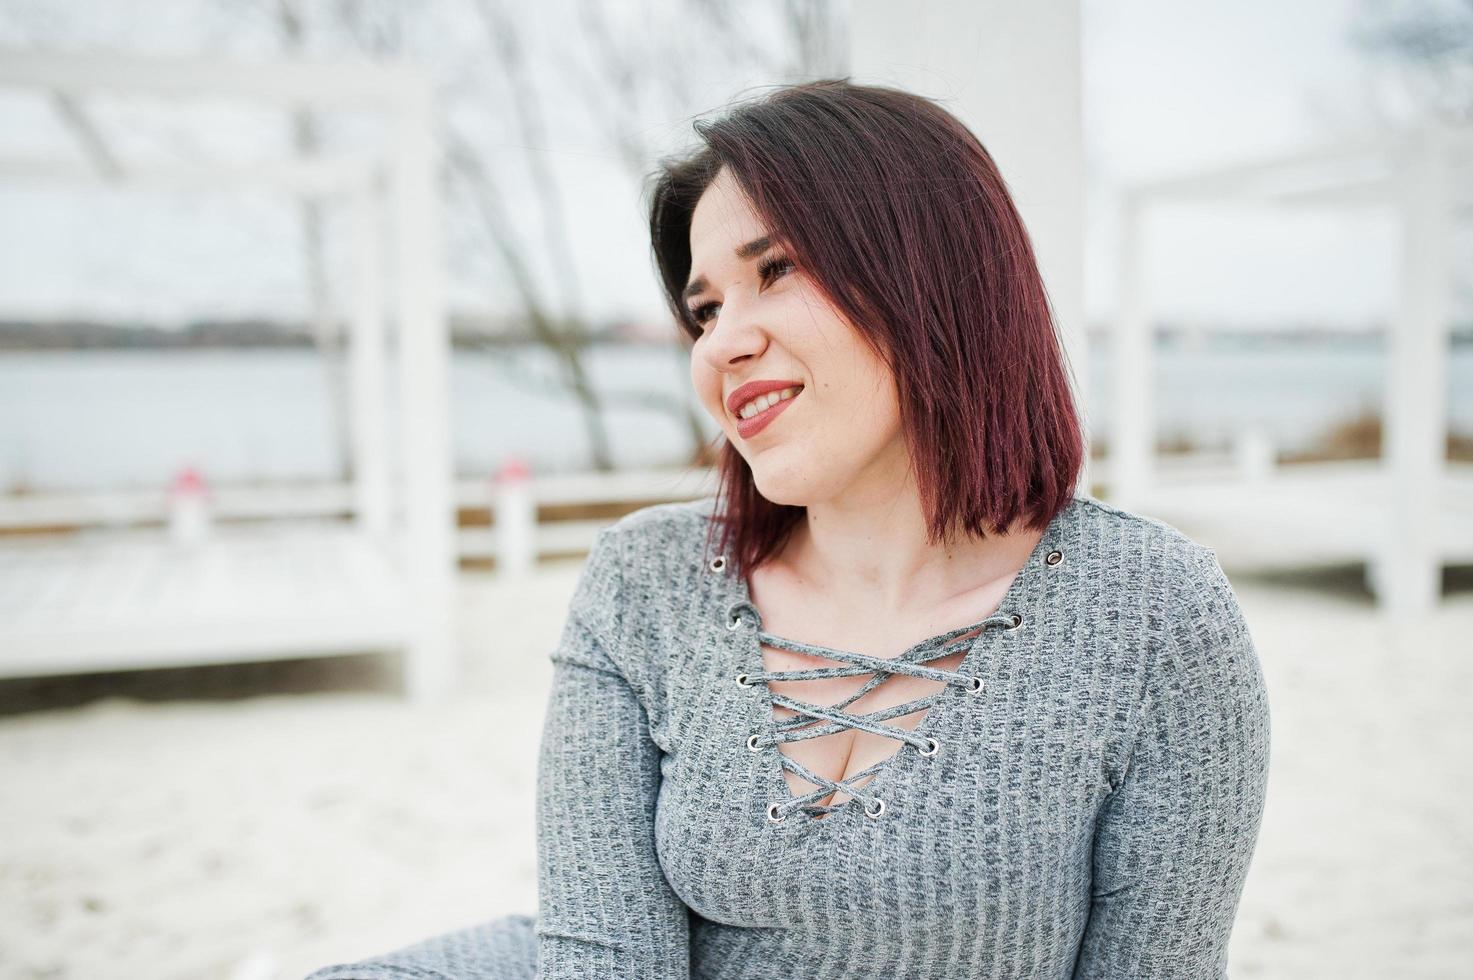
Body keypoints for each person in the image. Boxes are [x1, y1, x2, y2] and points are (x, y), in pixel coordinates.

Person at [307, 78, 1271, 980]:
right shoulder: (649, 579)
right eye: (705, 308)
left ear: (933, 278)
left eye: (776, 271)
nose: (721, 341)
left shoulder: (1155, 616)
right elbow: (604, 951)